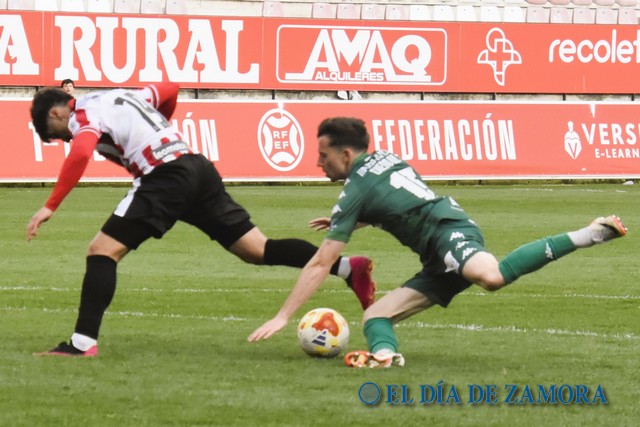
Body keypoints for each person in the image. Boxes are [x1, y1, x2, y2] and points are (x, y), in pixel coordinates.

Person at [248, 117, 628, 368]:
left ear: (345, 154)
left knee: (491, 277)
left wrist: (283, 316)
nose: (319, 163)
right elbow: (395, 202)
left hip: (448, 231)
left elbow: (320, 263)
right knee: (376, 316)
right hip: (436, 253)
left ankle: (590, 233)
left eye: (323, 155)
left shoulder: (355, 190)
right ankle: (385, 357)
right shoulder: (384, 158)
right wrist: (352, 220)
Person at [27, 87, 375, 357]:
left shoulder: (82, 114)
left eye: (57, 132)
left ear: (57, 112)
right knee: (257, 249)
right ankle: (347, 267)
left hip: (165, 177)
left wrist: (50, 206)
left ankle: (82, 343)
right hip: (196, 167)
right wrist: (161, 129)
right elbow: (168, 88)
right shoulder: (121, 96)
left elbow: (81, 151)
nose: (65, 138)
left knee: (102, 251)